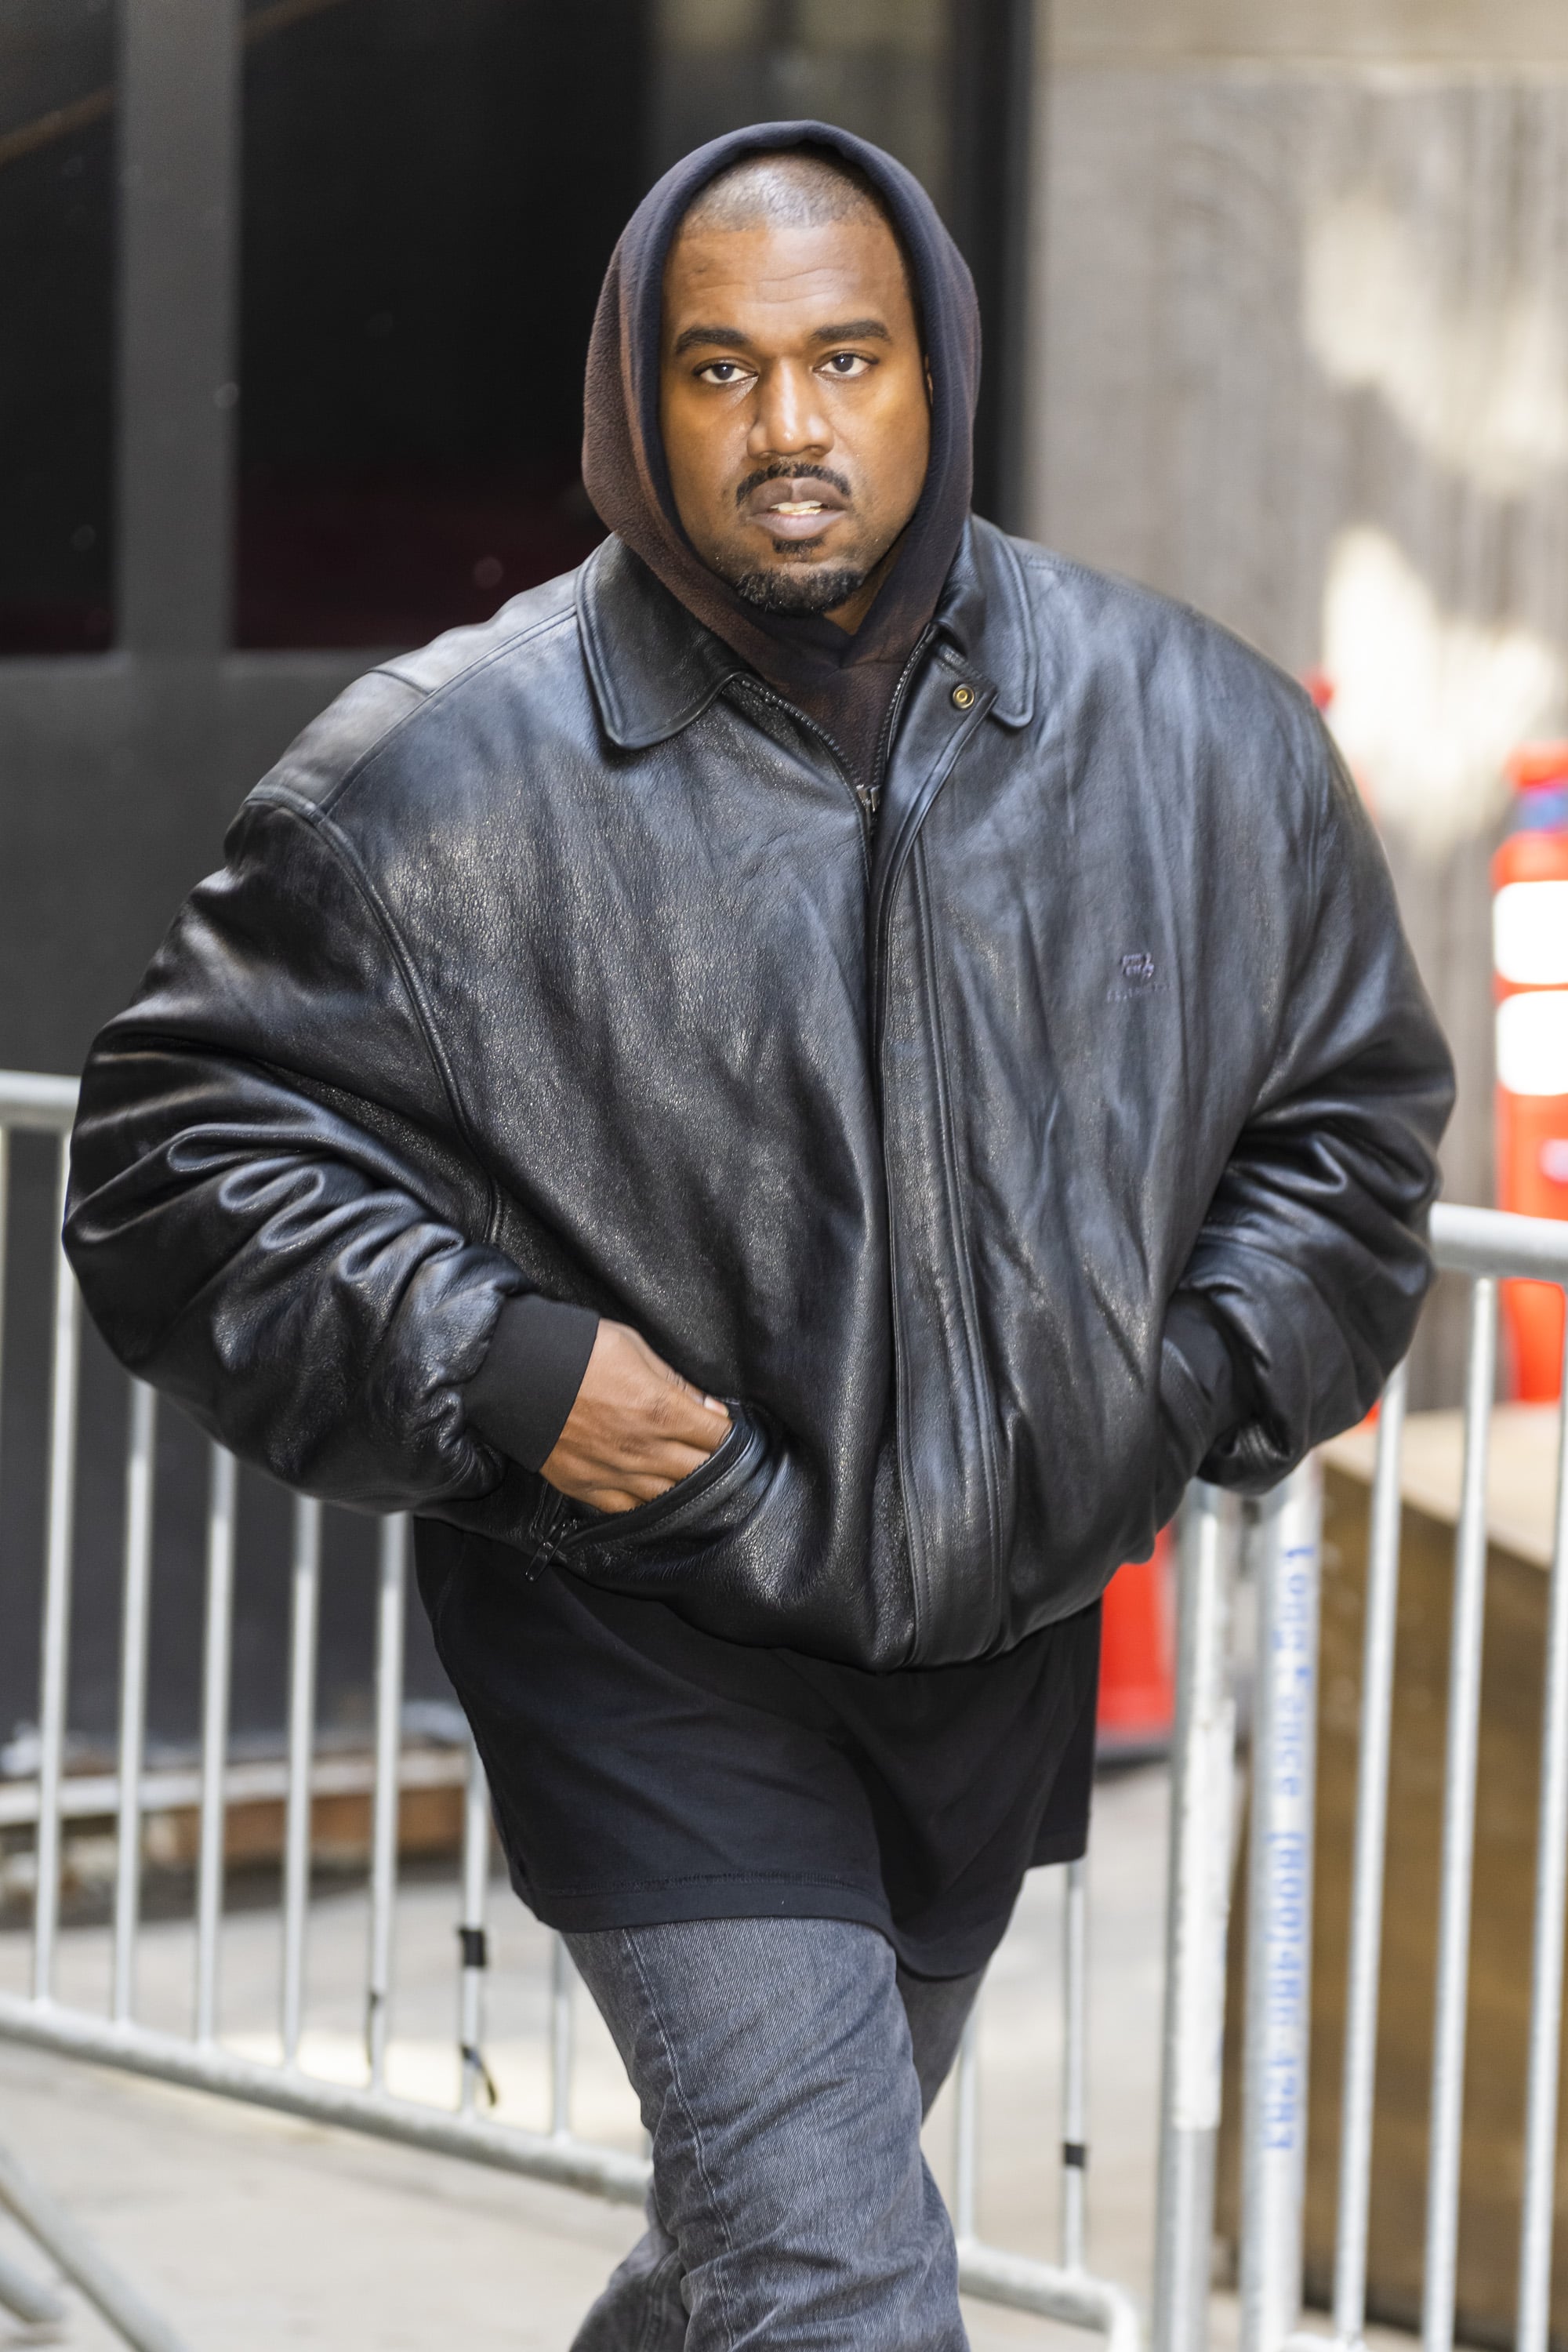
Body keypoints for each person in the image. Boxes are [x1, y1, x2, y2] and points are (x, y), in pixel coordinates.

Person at [66, 120, 1452, 2352]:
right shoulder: (442, 776)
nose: (789, 430)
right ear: (638, 398)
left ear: (939, 373)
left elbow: (1349, 1126)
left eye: (844, 360)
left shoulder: (1190, 736)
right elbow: (167, 1163)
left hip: (987, 1647)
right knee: (839, 2289)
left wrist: (1166, 1396)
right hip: (648, 1640)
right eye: (720, 373)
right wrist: (507, 1369)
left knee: (751, 2262)